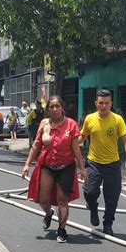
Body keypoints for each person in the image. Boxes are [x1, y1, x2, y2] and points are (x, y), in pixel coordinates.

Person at [22, 95, 86, 243]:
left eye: (58, 106)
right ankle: (49, 213)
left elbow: (76, 149)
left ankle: (62, 229)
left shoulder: (71, 124)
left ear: (62, 108)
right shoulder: (44, 123)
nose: (55, 109)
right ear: (48, 109)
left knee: (63, 201)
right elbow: (36, 145)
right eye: (52, 107)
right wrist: (26, 164)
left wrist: (82, 169)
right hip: (47, 167)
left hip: (66, 168)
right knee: (43, 200)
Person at [81, 89, 126, 236]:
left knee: (112, 197)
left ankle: (108, 224)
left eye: (107, 103)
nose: (104, 106)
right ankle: (93, 208)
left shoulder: (117, 119)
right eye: (101, 103)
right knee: (90, 192)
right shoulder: (89, 119)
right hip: (93, 163)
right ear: (96, 103)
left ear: (111, 103)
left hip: (112, 164)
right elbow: (81, 137)